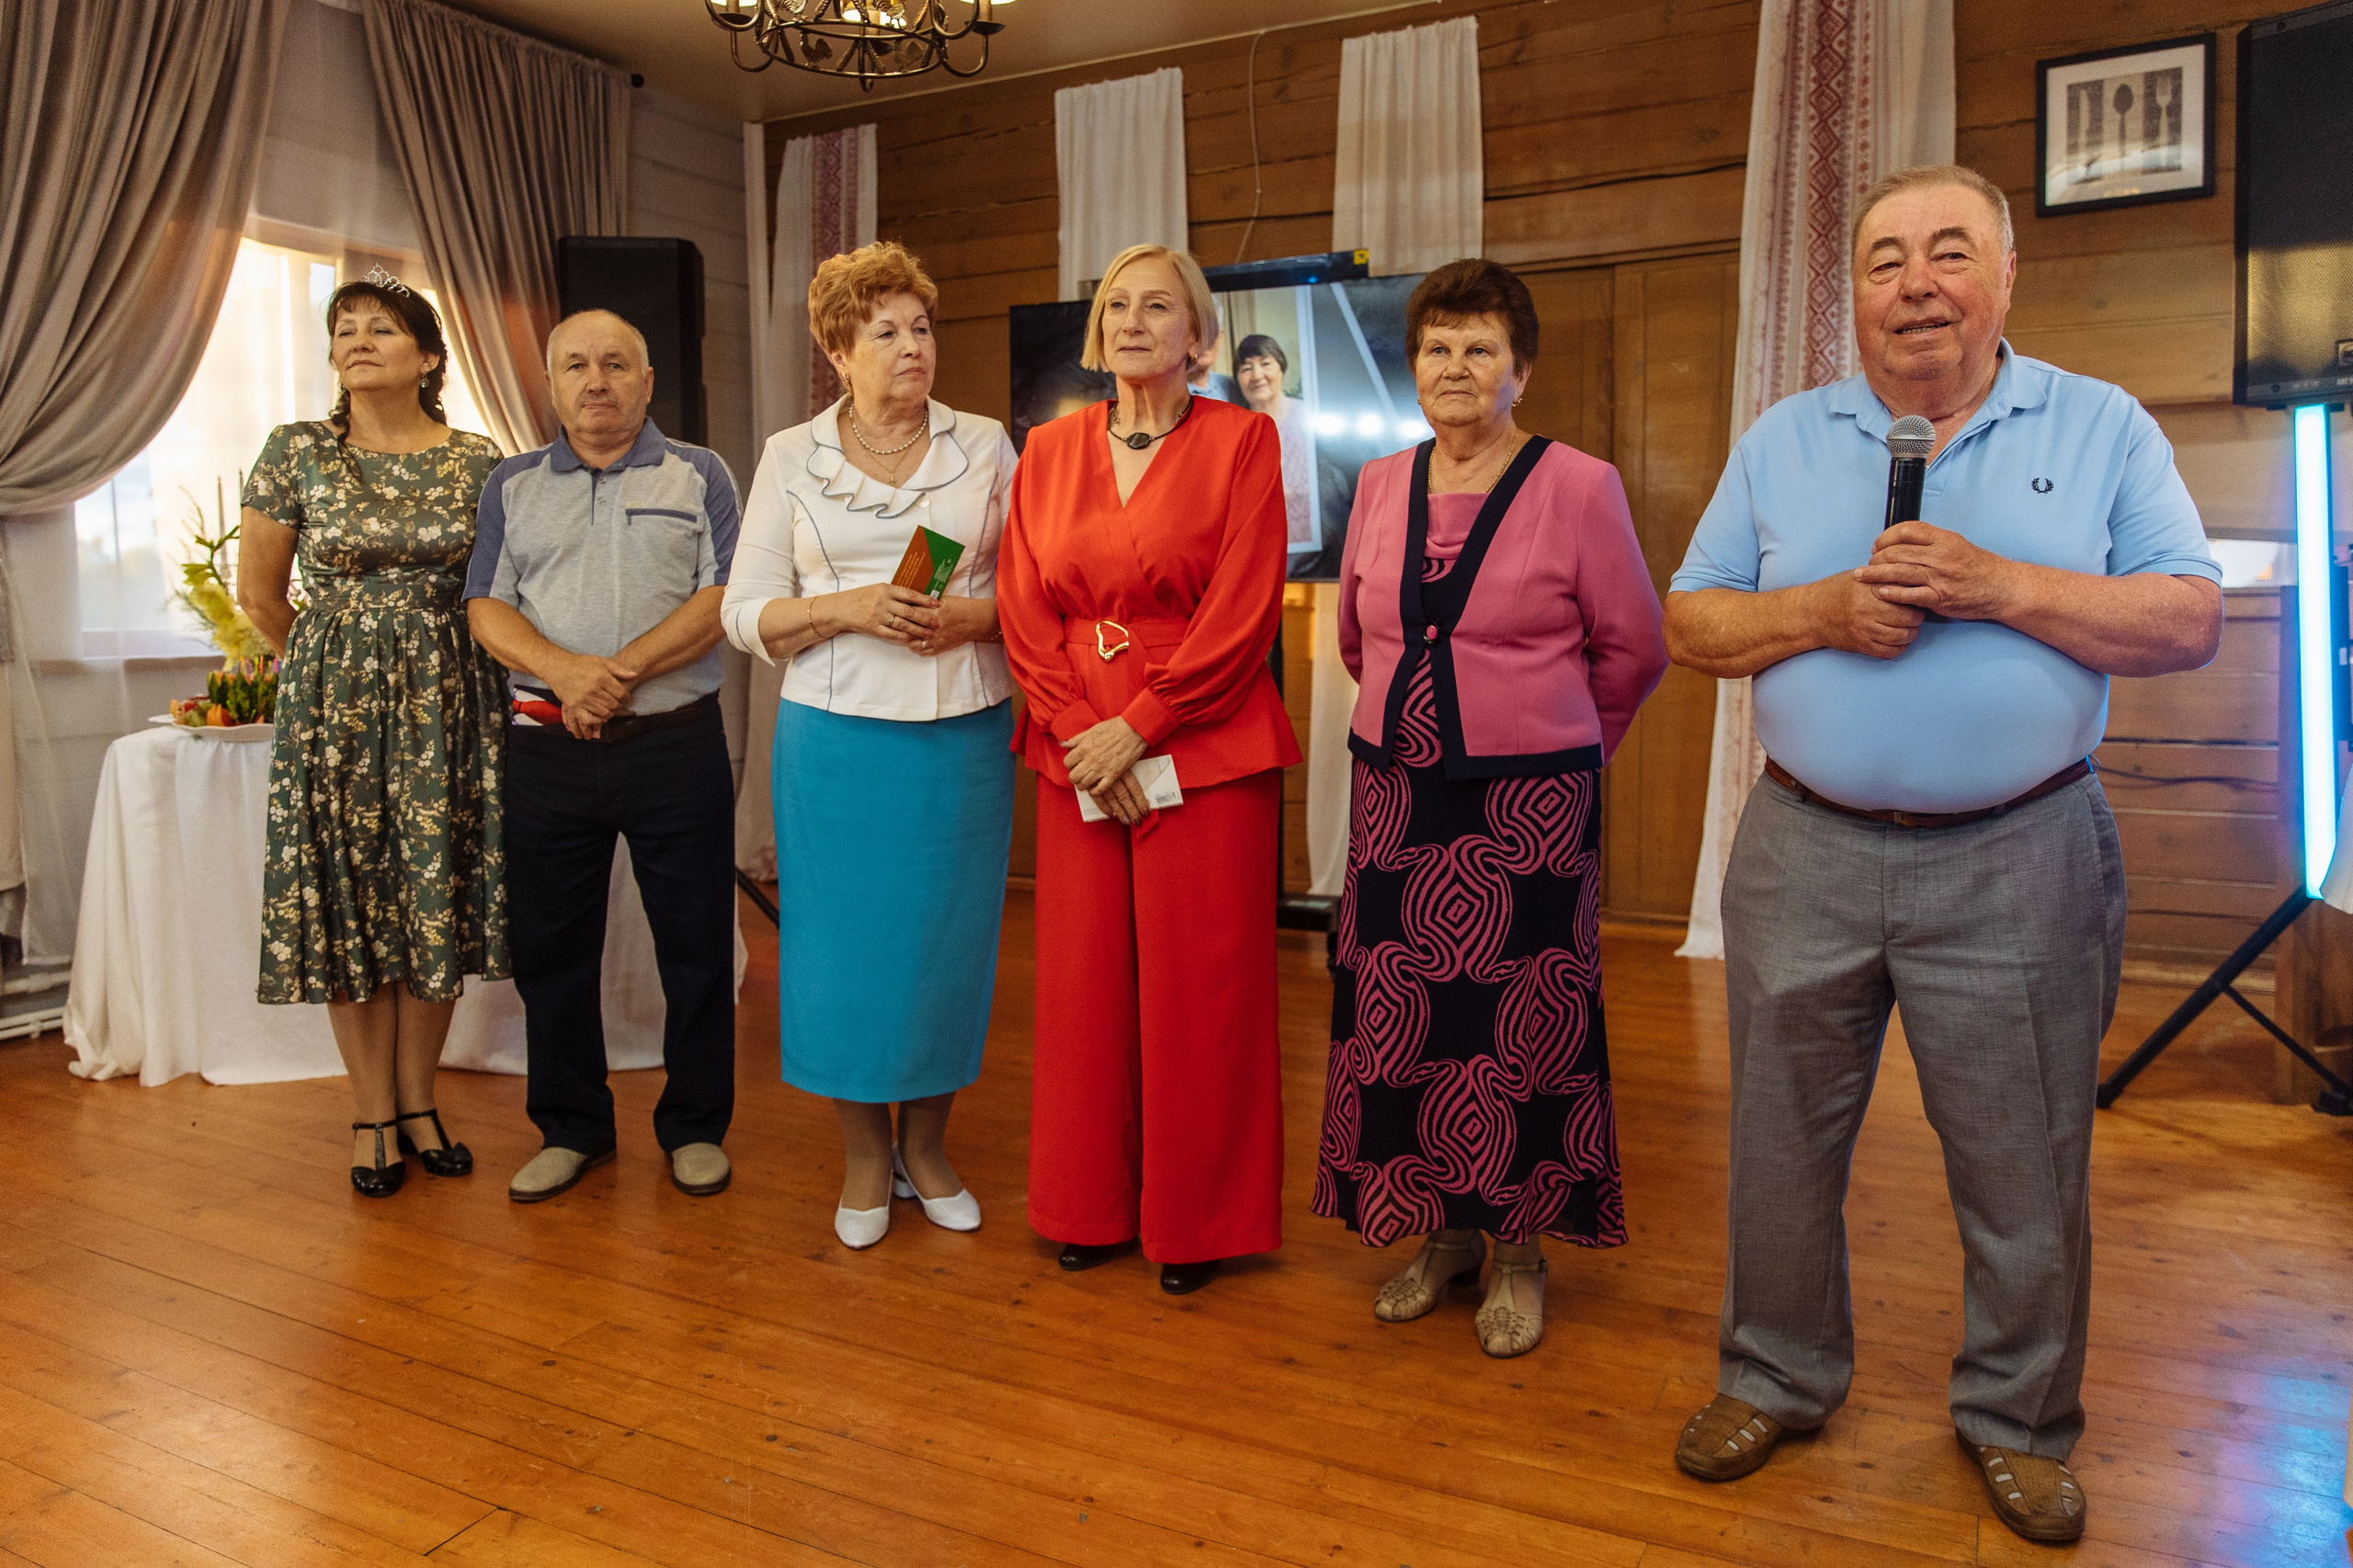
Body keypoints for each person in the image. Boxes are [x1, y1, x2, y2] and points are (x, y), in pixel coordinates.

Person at [1662, 165, 2222, 1544]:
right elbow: (1692, 622)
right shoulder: (1784, 437)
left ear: (2005, 276)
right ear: (1851, 291)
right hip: (1803, 846)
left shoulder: (2101, 427)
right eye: (1884, 258)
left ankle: (2019, 1422)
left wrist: (2000, 584)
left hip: (2021, 852)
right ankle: (1777, 1375)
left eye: (1948, 252)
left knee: (2025, 1161)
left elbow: (2188, 618)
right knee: (1778, 1150)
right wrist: (1824, 609)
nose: (1915, 282)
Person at [1313, 259, 1668, 1358]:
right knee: (1409, 1024)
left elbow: (1635, 647)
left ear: (1520, 368)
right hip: (1395, 796)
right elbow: (1357, 638)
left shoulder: (1580, 484)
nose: (1454, 367)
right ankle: (1445, 1232)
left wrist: (1564, 746)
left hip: (1528, 811)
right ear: (1412, 368)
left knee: (1523, 1032)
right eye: (1435, 347)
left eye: (1478, 347)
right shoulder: (1378, 483)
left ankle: (1520, 1247)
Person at [998, 243, 1300, 1296]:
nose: (1132, 321)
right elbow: (1024, 604)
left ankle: (1199, 1219)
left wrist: (1142, 725)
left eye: (1158, 306)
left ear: (1196, 334)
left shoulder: (1244, 440)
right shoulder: (1043, 450)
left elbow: (1247, 604)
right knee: (1083, 986)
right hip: (1075, 735)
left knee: (1200, 989)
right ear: (1098, 331)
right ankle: (1087, 1203)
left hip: (1203, 740)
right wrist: (1085, 729)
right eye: (1116, 305)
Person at [720, 242, 1017, 1251]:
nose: (910, 347)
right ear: (836, 351)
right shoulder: (788, 455)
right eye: (883, 331)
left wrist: (972, 620)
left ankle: (927, 1150)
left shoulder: (984, 445)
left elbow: (1037, 589)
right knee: (840, 957)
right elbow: (743, 610)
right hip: (833, 743)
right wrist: (844, 605)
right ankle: (860, 1156)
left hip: (960, 738)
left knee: (942, 952)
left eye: (921, 327)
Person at [463, 310, 743, 1205]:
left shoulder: (698, 472)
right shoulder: (510, 485)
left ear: (646, 379)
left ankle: (695, 1125)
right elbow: (486, 608)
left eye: (615, 363)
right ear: (550, 384)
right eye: (576, 366)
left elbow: (724, 595)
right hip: (549, 751)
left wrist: (616, 673)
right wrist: (566, 673)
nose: (596, 381)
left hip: (675, 746)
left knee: (695, 947)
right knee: (552, 950)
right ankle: (572, 1126)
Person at [238, 275, 506, 1199]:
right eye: (343, 328)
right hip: (334, 711)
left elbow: (500, 588)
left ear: (429, 357)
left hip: (451, 703)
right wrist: (330, 671)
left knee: (434, 895)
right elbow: (262, 596)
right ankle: (370, 1111)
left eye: (381, 327)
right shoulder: (298, 450)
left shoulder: (478, 460)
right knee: (353, 901)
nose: (357, 339)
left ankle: (421, 1101)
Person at [1233, 333, 1316, 551]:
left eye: (1266, 363)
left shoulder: (1309, 415)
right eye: (1246, 368)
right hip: (1259, 551)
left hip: (1314, 551)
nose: (1256, 375)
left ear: (1282, 368)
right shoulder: (1234, 432)